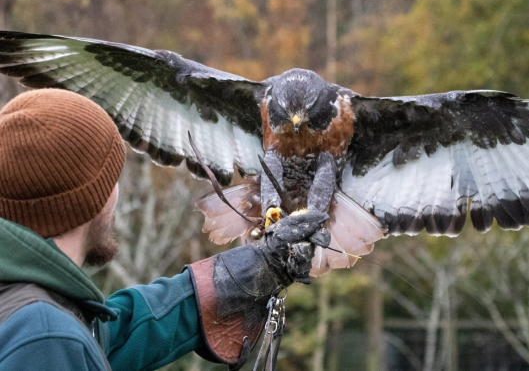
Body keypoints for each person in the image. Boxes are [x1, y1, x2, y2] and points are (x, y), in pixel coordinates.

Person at [0, 89, 329, 370]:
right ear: (92, 199)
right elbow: (71, 342)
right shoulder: (44, 338)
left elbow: (104, 342)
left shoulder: (27, 309)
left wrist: (241, 276)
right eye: (112, 177)